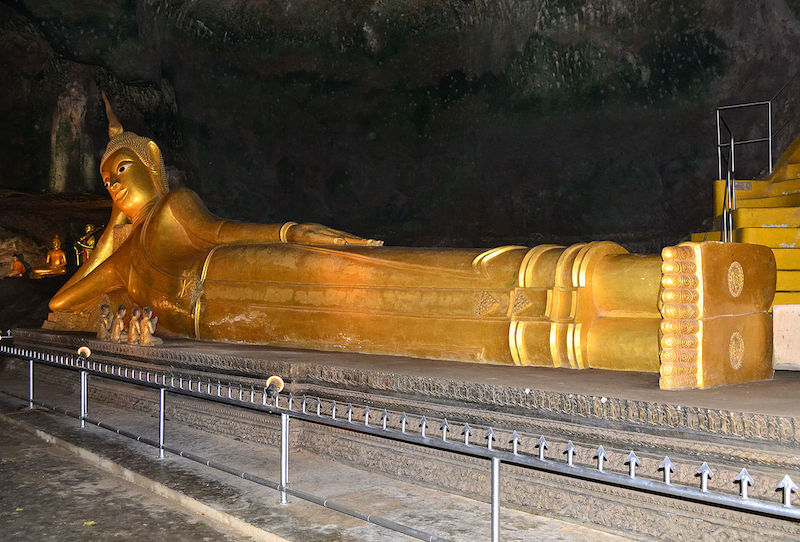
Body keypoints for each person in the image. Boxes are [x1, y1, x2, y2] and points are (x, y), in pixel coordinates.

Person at [47, 93, 775, 389]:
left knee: (410, 282)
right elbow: (63, 303)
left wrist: (296, 231)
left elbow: (220, 234)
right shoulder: (123, 255)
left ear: (149, 169)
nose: (116, 185)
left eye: (123, 172)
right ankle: (651, 338)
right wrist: (114, 241)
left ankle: (650, 283)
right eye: (108, 178)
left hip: (246, 273)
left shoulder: (172, 213)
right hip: (235, 316)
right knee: (396, 326)